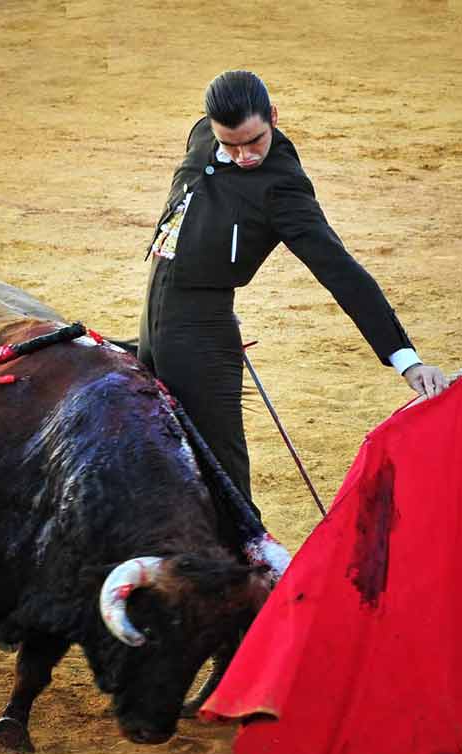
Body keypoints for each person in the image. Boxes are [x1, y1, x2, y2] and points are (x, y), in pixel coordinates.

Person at [138, 70, 448, 504]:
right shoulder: (201, 136)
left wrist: (407, 360)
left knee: (223, 481)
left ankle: (254, 568)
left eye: (255, 141)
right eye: (230, 143)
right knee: (157, 449)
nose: (244, 155)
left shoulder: (282, 190)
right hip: (152, 315)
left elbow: (340, 271)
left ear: (274, 118)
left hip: (200, 336)